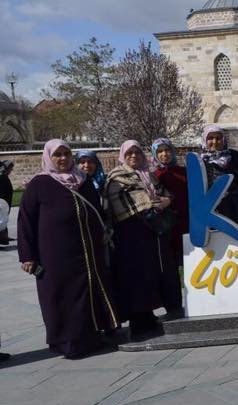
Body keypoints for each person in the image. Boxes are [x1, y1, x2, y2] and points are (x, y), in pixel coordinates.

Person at [17, 140, 119, 358]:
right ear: (49, 158)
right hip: (55, 255)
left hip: (89, 251)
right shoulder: (39, 184)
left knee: (88, 291)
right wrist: (27, 256)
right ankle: (67, 342)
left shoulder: (83, 181)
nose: (63, 159)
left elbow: (97, 213)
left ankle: (92, 336)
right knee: (61, 296)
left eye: (66, 154)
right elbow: (25, 221)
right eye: (58, 155)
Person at [106, 140, 179, 338]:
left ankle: (151, 316)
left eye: (137, 153)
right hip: (130, 233)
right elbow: (116, 203)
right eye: (129, 153)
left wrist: (165, 201)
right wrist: (149, 204)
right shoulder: (116, 177)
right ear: (123, 156)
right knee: (136, 278)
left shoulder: (150, 175)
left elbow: (166, 195)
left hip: (153, 233)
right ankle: (139, 321)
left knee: (152, 275)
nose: (134, 157)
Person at [151, 138, 188, 318]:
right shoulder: (153, 176)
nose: (164, 154)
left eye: (167, 150)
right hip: (167, 227)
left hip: (186, 223)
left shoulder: (184, 172)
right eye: (160, 152)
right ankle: (174, 305)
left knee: (190, 263)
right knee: (170, 267)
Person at [200, 125, 238, 226]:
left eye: (218, 138)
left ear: (223, 140)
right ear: (205, 140)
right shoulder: (200, 162)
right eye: (210, 138)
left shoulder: (237, 157)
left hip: (236, 209)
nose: (214, 142)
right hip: (213, 209)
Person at [0, 160, 13, 245]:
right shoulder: (2, 177)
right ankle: (2, 238)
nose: (11, 171)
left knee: (3, 221)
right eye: (10, 169)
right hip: (2, 203)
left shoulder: (4, 177)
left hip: (5, 203)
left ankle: (4, 237)